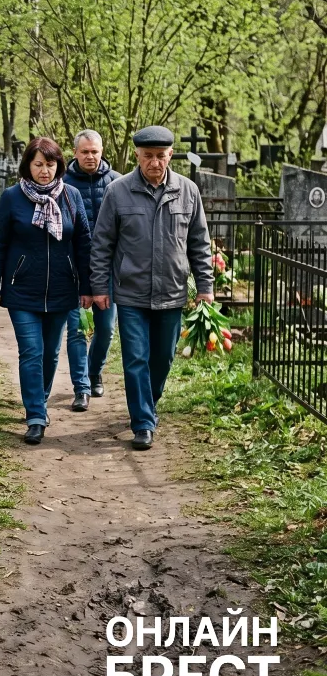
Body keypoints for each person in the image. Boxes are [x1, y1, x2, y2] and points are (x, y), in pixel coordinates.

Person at [90, 126, 214, 451]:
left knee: (163, 358)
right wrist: (100, 285)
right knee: (135, 358)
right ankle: (143, 422)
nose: (155, 163)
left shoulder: (188, 191)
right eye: (148, 156)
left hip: (172, 292)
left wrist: (206, 287)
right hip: (130, 293)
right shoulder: (117, 192)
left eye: (161, 156)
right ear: (137, 155)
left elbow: (200, 244)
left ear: (170, 155)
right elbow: (102, 243)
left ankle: (148, 402)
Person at [0, 137, 93, 445]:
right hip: (22, 291)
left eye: (50, 165)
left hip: (62, 288)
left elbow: (83, 244)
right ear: (28, 166)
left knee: (50, 352)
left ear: (59, 166)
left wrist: (87, 286)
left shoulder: (71, 196)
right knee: (31, 351)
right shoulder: (12, 197)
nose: (45, 171)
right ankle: (35, 415)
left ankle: (39, 399)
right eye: (38, 165)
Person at [62, 130, 121, 411]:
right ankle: (80, 387)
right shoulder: (61, 183)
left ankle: (94, 371)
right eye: (84, 152)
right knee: (75, 330)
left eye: (95, 151)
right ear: (75, 153)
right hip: (73, 271)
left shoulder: (117, 183)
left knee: (106, 328)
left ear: (102, 151)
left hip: (107, 271)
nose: (90, 156)